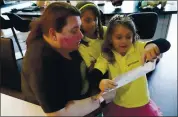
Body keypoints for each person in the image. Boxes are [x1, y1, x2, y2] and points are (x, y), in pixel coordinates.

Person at [21, 2, 115, 116]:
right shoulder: (40, 62)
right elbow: (58, 114)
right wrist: (101, 99)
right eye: (74, 30)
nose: (81, 35)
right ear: (53, 34)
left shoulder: (67, 44)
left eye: (79, 28)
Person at [89, 14, 171, 116]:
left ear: (133, 36)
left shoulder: (138, 48)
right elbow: (94, 76)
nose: (124, 41)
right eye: (119, 37)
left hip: (141, 102)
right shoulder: (106, 54)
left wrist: (152, 45)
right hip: (118, 103)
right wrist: (100, 82)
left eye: (128, 37)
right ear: (110, 38)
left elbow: (165, 43)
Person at [76, 2, 107, 69]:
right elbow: (93, 69)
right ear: (77, 21)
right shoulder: (81, 46)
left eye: (95, 19)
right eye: (88, 20)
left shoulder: (105, 31)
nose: (94, 24)